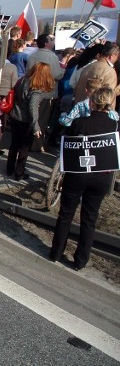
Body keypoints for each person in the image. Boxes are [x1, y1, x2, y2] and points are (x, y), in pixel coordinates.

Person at [49, 88, 118, 270]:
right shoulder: (114, 126)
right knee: (90, 218)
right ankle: (80, 261)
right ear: (109, 105)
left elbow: (70, 146)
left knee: (66, 214)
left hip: (78, 174)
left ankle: (56, 253)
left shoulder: (79, 123)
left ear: (92, 103)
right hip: (101, 177)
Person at [6, 62, 56, 180]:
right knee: (24, 147)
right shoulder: (36, 89)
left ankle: (9, 169)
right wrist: (36, 126)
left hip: (15, 116)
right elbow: (33, 108)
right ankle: (19, 173)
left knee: (14, 144)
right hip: (25, 120)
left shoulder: (23, 79)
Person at [74, 42, 119, 109]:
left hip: (80, 108)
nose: (118, 59)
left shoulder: (89, 66)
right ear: (112, 56)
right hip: (94, 111)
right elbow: (108, 97)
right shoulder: (109, 71)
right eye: (117, 56)